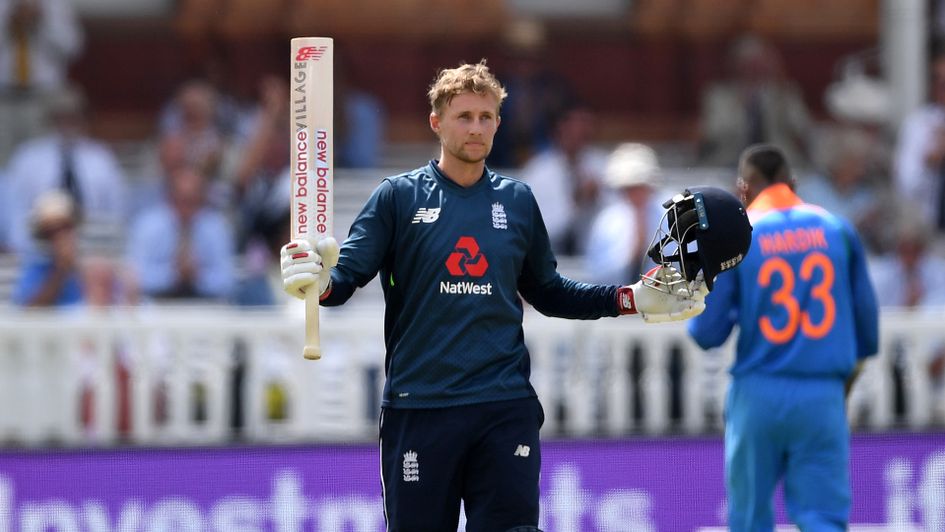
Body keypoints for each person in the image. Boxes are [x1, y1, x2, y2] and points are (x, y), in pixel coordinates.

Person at [278, 61, 711, 532]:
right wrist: (315, 282)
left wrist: (628, 299)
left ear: (498, 124)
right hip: (420, 405)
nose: (476, 128)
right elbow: (343, 282)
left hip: (503, 404)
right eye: (464, 116)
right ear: (436, 122)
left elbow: (549, 292)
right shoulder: (396, 198)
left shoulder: (518, 201)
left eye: (486, 117)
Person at [687, 144, 879, 531]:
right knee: (822, 519)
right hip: (822, 395)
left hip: (758, 393)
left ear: (742, 190)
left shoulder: (740, 237)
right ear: (792, 183)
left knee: (749, 520)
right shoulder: (838, 230)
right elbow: (868, 334)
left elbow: (707, 334)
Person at [697, 35, 813, 169]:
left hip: (779, 163)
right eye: (748, 63)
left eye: (759, 62)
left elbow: (801, 128)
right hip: (731, 162)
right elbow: (713, 133)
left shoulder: (785, 93)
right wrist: (740, 105)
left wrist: (781, 92)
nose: (754, 69)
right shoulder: (719, 96)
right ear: (736, 65)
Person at [126, 164, 235, 302]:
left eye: (193, 201)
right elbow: (135, 278)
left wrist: (198, 276)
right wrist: (172, 274)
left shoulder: (216, 228)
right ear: (169, 198)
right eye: (181, 200)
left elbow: (227, 281)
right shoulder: (148, 226)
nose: (186, 209)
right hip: (157, 305)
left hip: (206, 307)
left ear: (202, 200)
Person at [0, 0, 84, 166]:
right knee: (3, 163)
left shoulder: (56, 4)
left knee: (44, 161)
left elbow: (72, 48)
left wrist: (42, 21)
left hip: (45, 98)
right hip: (4, 98)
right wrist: (7, 24)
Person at [585, 142, 667, 285]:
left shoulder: (671, 214)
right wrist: (630, 255)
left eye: (639, 186)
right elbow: (596, 273)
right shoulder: (608, 221)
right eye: (628, 188)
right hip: (620, 300)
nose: (635, 193)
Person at [894, 50, 945, 237]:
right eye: (937, 79)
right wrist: (930, 163)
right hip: (928, 231)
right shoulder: (917, 125)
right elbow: (905, 187)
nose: (942, 85)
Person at [11, 189, 82, 307]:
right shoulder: (34, 269)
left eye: (64, 227)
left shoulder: (92, 268)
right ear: (43, 236)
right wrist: (60, 271)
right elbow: (29, 313)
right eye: (51, 231)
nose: (60, 236)